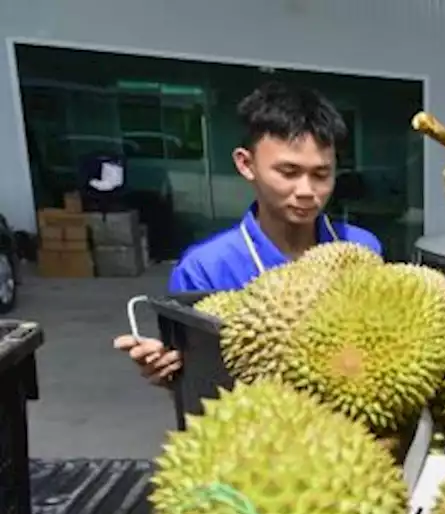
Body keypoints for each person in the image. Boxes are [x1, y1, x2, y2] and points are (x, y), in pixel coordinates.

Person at [112, 80, 382, 385]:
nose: (307, 191)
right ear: (246, 164)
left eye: (321, 174)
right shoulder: (205, 269)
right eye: (288, 172)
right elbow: (198, 383)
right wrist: (168, 368)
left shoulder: (362, 248)